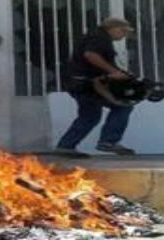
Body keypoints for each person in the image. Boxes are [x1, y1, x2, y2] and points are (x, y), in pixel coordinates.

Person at [55, 18, 136, 158]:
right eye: (123, 31)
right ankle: (108, 141)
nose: (124, 36)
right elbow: (90, 55)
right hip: (87, 84)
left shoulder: (98, 37)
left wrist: (122, 74)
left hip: (81, 83)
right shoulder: (100, 37)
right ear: (113, 28)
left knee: (89, 116)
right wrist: (113, 72)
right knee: (122, 106)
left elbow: (99, 60)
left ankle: (66, 146)